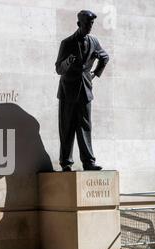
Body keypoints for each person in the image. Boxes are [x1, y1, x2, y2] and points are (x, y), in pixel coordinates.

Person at [55, 10, 109, 172]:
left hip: (85, 89)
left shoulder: (94, 41)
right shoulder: (67, 43)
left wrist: (94, 74)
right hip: (68, 91)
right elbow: (58, 68)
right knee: (67, 127)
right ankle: (66, 162)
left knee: (85, 126)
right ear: (79, 24)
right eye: (87, 24)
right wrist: (68, 62)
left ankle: (89, 162)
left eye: (91, 24)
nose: (89, 27)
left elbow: (105, 57)